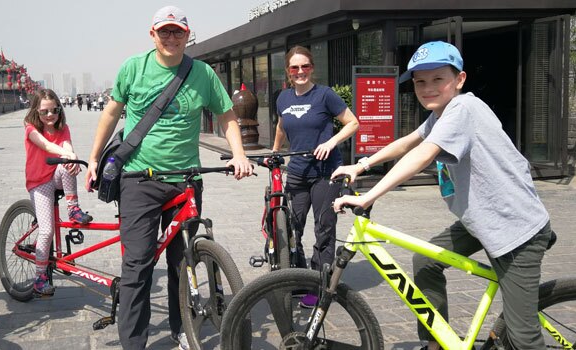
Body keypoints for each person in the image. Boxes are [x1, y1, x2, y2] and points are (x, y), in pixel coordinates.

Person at [332, 41, 553, 350]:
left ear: (459, 80)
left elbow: (423, 154)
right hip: (481, 220)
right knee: (426, 261)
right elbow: (408, 142)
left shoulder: (463, 108)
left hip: (516, 230)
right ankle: (437, 342)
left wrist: (368, 197)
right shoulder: (442, 114)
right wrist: (362, 164)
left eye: (438, 79)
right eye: (420, 82)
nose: (428, 88)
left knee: (524, 338)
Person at [84, 5, 253, 350]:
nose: (171, 38)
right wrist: (92, 158)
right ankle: (134, 342)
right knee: (137, 265)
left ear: (188, 36)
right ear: (153, 34)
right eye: (165, 31)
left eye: (178, 32)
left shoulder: (203, 73)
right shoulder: (134, 68)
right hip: (139, 180)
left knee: (183, 260)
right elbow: (111, 112)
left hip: (186, 179)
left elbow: (227, 116)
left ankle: (183, 328)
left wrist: (239, 154)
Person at [271, 45, 359, 309]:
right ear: (288, 71)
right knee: (291, 227)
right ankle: (299, 278)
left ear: (312, 68)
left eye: (305, 66)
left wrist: (331, 142)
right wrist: (275, 152)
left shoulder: (325, 95)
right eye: (295, 68)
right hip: (297, 173)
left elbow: (353, 122)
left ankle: (320, 287)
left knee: (323, 229)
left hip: (325, 173)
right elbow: (281, 125)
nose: (300, 72)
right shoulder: (283, 98)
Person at [24, 89, 93, 297]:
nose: (49, 115)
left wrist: (71, 157)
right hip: (39, 182)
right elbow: (45, 145)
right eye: (44, 112)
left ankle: (73, 209)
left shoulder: (64, 128)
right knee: (46, 232)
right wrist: (69, 154)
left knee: (67, 165)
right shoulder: (30, 129)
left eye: (54, 110)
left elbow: (66, 145)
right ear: (36, 111)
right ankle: (39, 278)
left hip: (56, 176)